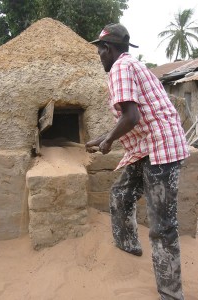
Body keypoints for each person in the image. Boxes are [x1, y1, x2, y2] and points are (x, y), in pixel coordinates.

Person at [86, 23, 189, 300]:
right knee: (121, 194)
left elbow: (131, 117)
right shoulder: (132, 64)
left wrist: (108, 142)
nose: (99, 57)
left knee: (162, 226)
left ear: (107, 49)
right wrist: (102, 137)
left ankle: (170, 293)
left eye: (100, 52)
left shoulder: (120, 67)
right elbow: (132, 118)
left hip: (161, 150)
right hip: (147, 146)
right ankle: (128, 246)